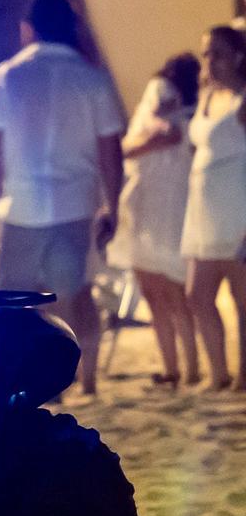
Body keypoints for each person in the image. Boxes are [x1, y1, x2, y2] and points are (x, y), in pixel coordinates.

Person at [0, 0, 125, 396]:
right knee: (76, 294)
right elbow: (110, 152)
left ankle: (36, 385)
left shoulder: (7, 76)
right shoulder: (93, 79)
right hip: (76, 204)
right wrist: (112, 204)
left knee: (13, 302)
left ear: (28, 29)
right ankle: (88, 379)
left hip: (20, 206)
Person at [105, 53, 199, 387]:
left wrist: (127, 150)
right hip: (158, 204)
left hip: (158, 205)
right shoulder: (192, 110)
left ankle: (184, 368)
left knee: (166, 294)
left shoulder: (164, 92)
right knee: (165, 294)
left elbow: (166, 134)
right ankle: (179, 368)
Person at [179, 25, 246, 390]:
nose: (209, 60)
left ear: (237, 56)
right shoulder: (206, 96)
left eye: (217, 53)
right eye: (206, 53)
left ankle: (243, 376)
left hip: (237, 205)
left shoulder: (243, 99)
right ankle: (217, 371)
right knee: (197, 294)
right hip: (204, 207)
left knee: (242, 298)